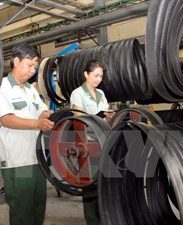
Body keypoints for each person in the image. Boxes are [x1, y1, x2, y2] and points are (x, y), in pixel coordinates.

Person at [0, 43, 55, 225]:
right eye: (29, 65)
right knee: (22, 209)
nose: (32, 70)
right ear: (16, 61)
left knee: (38, 205)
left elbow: (42, 110)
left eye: (35, 67)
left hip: (37, 158)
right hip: (19, 161)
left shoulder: (31, 89)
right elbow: (6, 119)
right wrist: (37, 123)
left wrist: (45, 114)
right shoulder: (0, 88)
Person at [70, 59, 115, 225]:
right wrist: (100, 115)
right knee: (89, 185)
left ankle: (104, 217)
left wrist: (109, 116)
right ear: (86, 74)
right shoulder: (78, 94)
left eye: (101, 76)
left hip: (103, 142)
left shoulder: (101, 94)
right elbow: (78, 117)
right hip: (86, 145)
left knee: (103, 183)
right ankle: (92, 221)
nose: (98, 79)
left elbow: (105, 116)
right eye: (95, 75)